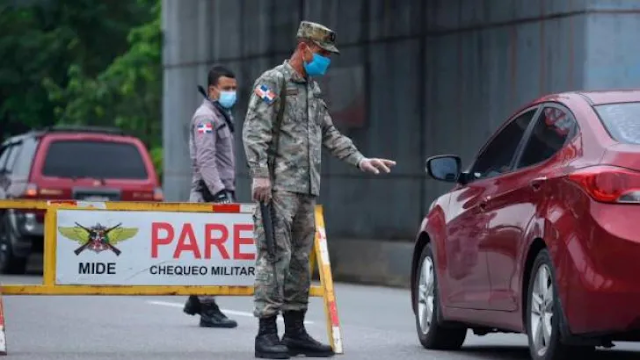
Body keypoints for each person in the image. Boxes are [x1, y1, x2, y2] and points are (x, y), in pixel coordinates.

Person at [242, 21, 396, 359]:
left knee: (299, 261)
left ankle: (294, 330)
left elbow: (330, 134)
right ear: (304, 48)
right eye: (322, 53)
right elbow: (255, 131)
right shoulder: (273, 82)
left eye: (328, 54)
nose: (326, 59)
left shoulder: (312, 90)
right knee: (273, 257)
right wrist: (260, 175)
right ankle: (266, 333)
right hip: (278, 189)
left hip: (305, 190)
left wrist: (360, 159)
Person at [182, 65, 239, 329]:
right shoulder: (205, 117)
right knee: (210, 254)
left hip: (218, 192)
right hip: (209, 194)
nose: (231, 93)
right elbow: (205, 161)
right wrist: (219, 193)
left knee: (212, 250)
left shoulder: (220, 113)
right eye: (226, 88)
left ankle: (197, 297)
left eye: (234, 88)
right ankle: (208, 309)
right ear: (213, 89)